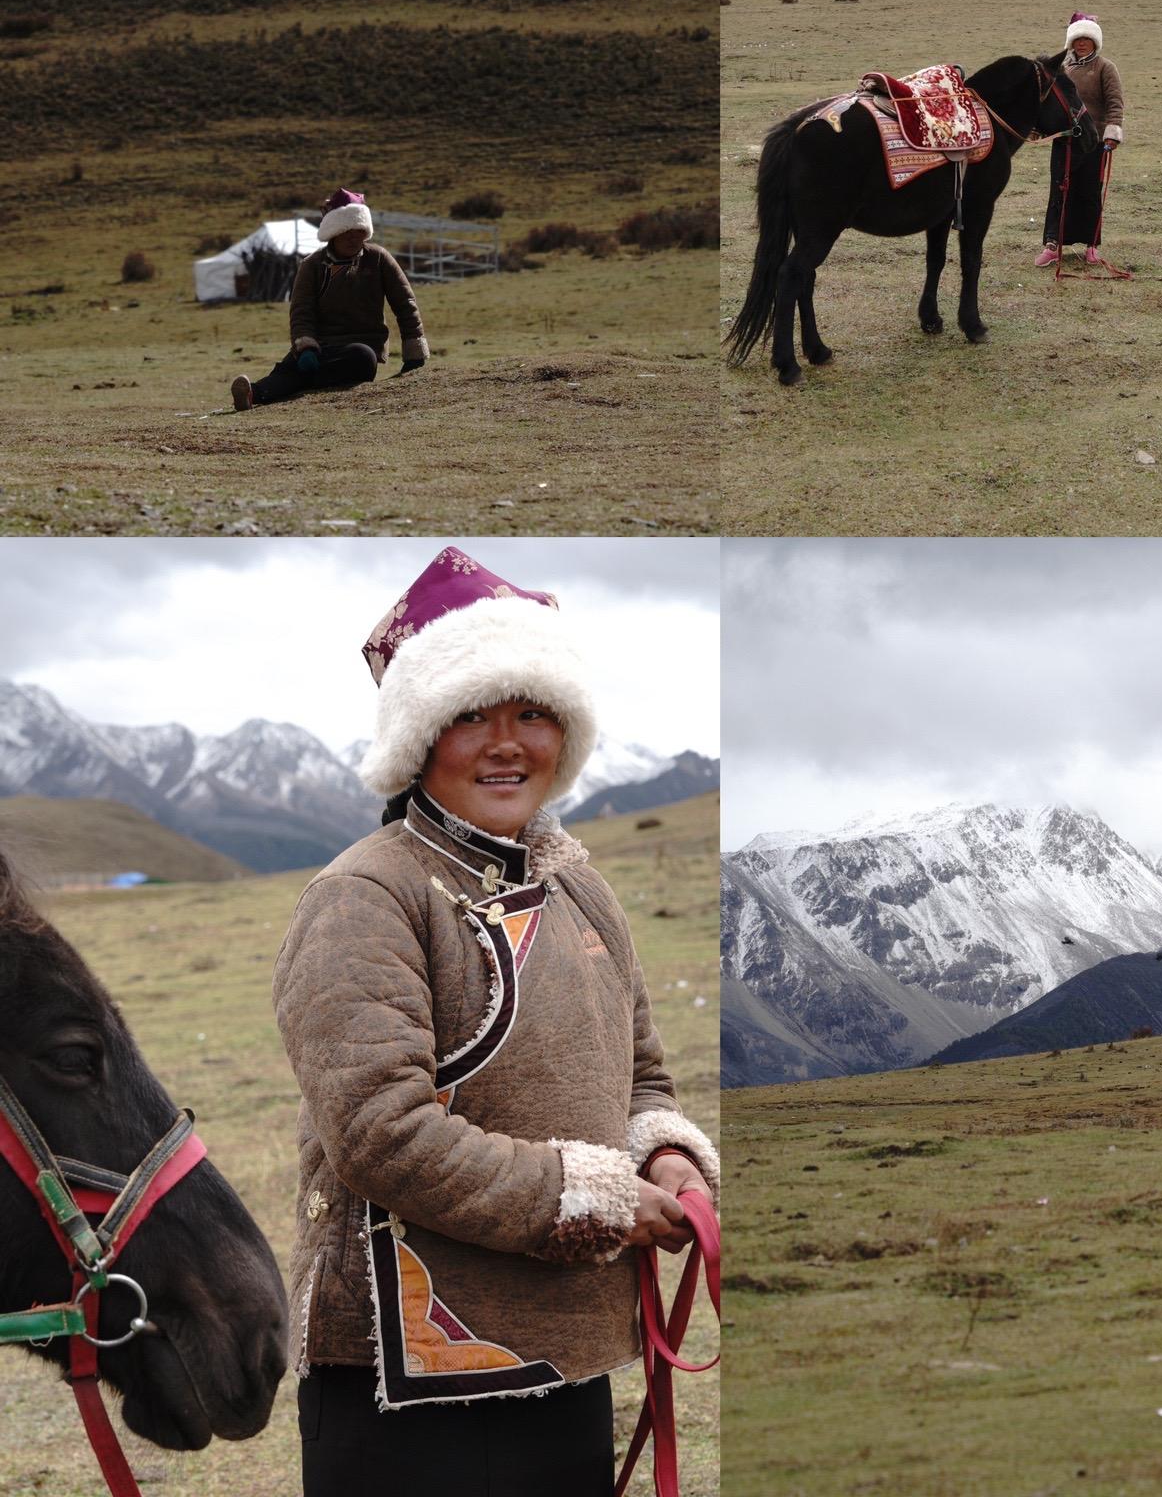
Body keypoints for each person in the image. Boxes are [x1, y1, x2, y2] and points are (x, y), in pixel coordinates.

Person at [271, 547, 719, 1497]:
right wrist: (592, 1199)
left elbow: (642, 1081)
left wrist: (664, 1157)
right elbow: (380, 1135)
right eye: (471, 714)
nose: (506, 742)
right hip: (405, 1384)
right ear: (419, 736)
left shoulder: (583, 891)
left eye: (532, 713)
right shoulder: (366, 896)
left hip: (567, 1356)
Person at [231, 189, 429, 409]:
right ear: (333, 233)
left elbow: (405, 304)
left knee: (362, 358)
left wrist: (414, 353)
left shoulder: (379, 259)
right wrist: (305, 347)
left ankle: (294, 384)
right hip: (320, 347)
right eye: (346, 231)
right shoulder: (312, 265)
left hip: (361, 347)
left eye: (358, 230)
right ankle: (252, 394)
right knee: (294, 365)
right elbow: (301, 311)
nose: (353, 237)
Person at [1035, 12, 1124, 269]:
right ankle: (1053, 245)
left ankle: (1091, 246)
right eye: (1077, 39)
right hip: (1064, 142)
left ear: (1095, 41)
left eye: (1086, 38)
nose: (1081, 43)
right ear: (1070, 42)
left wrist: (1113, 132)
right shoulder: (1062, 70)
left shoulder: (1105, 68)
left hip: (1094, 141)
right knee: (1059, 191)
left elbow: (1115, 103)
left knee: (1089, 192)